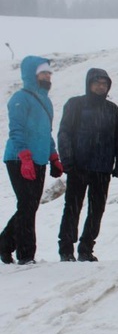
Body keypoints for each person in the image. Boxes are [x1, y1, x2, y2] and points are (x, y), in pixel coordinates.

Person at [56, 68, 118, 262]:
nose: (101, 86)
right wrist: (68, 160)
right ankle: (66, 249)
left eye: (104, 83)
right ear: (89, 84)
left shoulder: (112, 109)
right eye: (97, 83)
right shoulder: (76, 104)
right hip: (79, 166)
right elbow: (64, 133)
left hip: (102, 168)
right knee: (72, 208)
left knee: (97, 210)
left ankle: (86, 248)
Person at [0, 56, 62, 265]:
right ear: (32, 75)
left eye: (49, 73)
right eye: (43, 73)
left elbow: (46, 132)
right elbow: (16, 131)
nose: (47, 76)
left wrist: (53, 157)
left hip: (38, 159)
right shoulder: (20, 98)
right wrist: (25, 157)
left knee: (30, 205)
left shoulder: (46, 101)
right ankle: (26, 255)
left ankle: (4, 244)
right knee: (27, 204)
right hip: (18, 159)